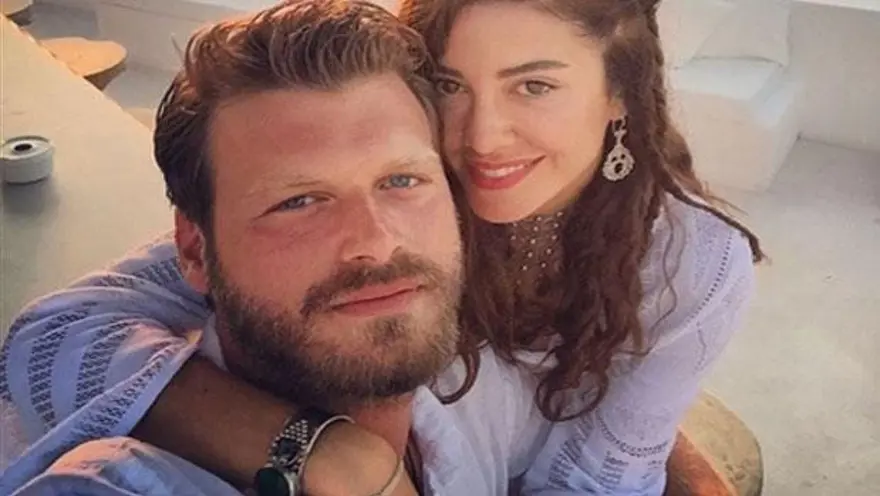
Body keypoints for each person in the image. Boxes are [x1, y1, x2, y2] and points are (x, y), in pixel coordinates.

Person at [1, 0, 763, 493]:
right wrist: (314, 450)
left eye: (534, 85)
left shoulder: (689, 260)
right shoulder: (432, 193)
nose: (484, 138)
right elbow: (54, 334)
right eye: (452, 86)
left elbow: (602, 474)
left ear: (619, 92)